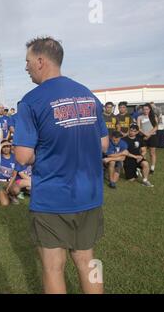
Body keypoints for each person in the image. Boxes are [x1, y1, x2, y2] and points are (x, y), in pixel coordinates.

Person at [13, 37, 108, 294]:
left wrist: (43, 153)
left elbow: (22, 157)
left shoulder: (30, 101)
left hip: (52, 196)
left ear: (41, 61)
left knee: (53, 266)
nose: (26, 67)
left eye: (28, 61)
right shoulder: (89, 96)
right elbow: (103, 145)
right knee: (88, 260)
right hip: (89, 193)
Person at [0, 141, 22, 207]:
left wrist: (8, 186)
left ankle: (12, 195)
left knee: (16, 190)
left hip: (10, 182)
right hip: (0, 182)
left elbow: (14, 175)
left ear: (10, 147)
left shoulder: (15, 157)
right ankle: (1, 193)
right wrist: (2, 144)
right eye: (4, 147)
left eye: (8, 146)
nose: (6, 149)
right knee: (5, 204)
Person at [137, 103, 159, 174]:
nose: (145, 111)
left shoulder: (154, 116)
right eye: (144, 109)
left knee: (152, 153)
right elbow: (138, 128)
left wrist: (149, 134)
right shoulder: (139, 117)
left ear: (150, 109)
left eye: (147, 109)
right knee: (143, 152)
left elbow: (156, 127)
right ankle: (144, 166)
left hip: (152, 136)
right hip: (143, 136)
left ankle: (152, 168)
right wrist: (145, 134)